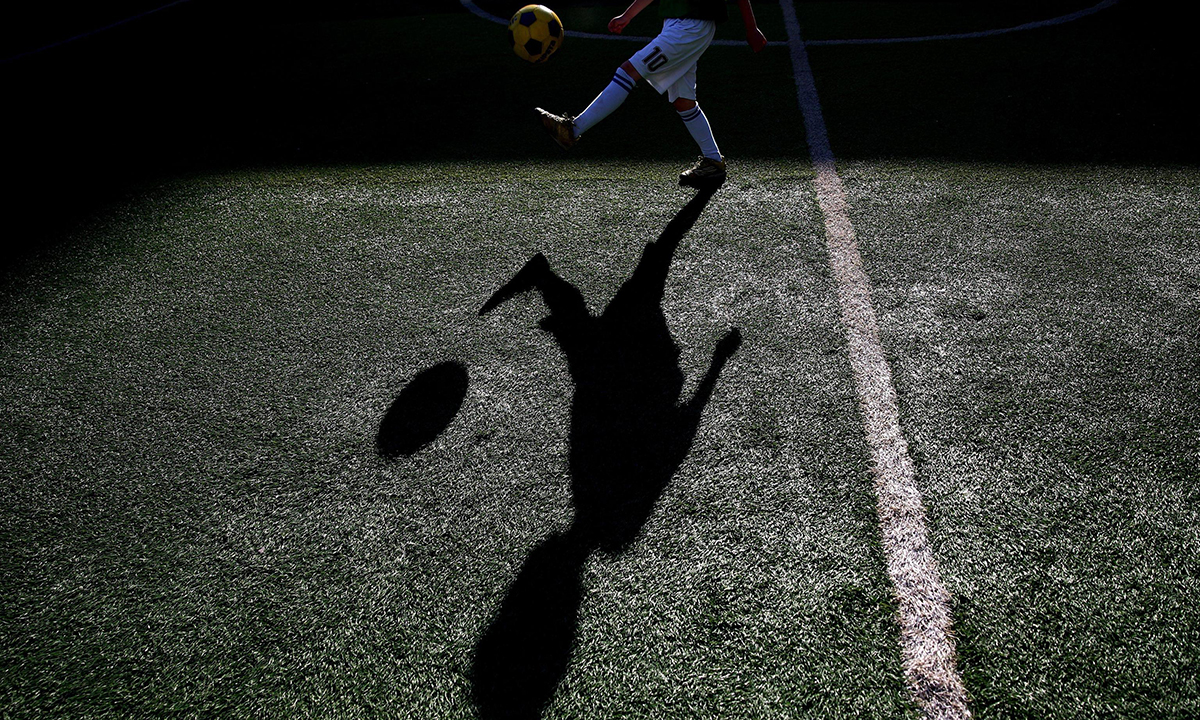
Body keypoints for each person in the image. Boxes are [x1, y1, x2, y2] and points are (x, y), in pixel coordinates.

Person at [536, 0, 767, 188]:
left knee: (628, 71)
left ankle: (572, 129)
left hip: (691, 27)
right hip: (680, 26)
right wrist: (627, 15)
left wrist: (751, 28)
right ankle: (713, 161)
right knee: (683, 101)